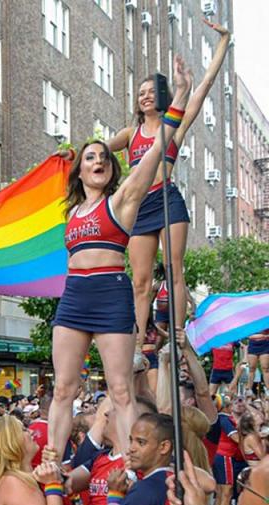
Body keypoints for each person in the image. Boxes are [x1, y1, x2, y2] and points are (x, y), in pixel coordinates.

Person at [47, 57, 190, 466]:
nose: (98, 161)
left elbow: (158, 146)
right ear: (79, 171)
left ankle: (133, 466)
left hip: (112, 296)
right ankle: (53, 461)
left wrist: (179, 95)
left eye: (104, 158)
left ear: (112, 172)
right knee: (63, 389)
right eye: (90, 157)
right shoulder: (68, 214)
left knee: (122, 390)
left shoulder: (123, 200)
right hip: (74, 297)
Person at [105, 20, 230, 351]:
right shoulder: (130, 134)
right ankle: (134, 345)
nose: (145, 97)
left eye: (151, 92)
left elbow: (203, 86)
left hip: (167, 201)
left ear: (162, 97)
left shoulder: (174, 125)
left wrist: (223, 43)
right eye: (140, 93)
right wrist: (71, 156)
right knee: (140, 281)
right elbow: (100, 149)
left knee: (174, 270)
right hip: (139, 207)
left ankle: (174, 336)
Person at [212, 395, 246, 505]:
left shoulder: (243, 420)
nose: (239, 403)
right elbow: (236, 438)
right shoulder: (225, 419)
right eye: (236, 401)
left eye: (242, 402)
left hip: (229, 457)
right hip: (225, 456)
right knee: (226, 493)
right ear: (230, 406)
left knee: (222, 494)